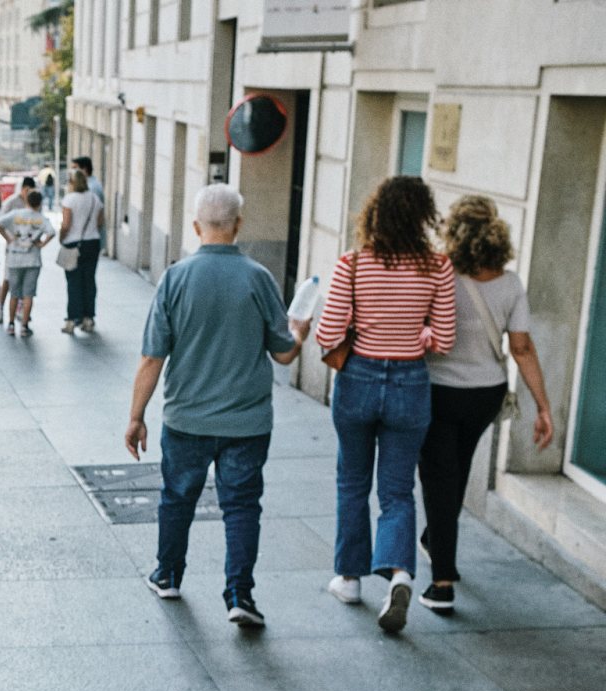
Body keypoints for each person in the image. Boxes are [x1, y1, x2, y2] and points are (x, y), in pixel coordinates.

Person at [125, 185, 311, 626]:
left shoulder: (175, 278)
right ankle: (240, 595)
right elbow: (284, 354)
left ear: (195, 227)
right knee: (242, 506)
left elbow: (153, 356)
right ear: (239, 225)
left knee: (177, 498)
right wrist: (300, 331)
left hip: (186, 417)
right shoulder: (258, 278)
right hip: (246, 421)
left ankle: (168, 575)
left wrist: (136, 416)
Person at [314, 175, 456, 633]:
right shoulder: (438, 267)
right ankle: (398, 572)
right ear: (422, 217)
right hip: (411, 382)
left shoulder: (352, 265)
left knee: (352, 481)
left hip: (358, 379)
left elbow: (327, 333)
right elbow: (446, 338)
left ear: (374, 214)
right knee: (397, 490)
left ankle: (350, 579)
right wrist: (419, 334)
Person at [417, 195, 554, 611]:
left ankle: (442, 582)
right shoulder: (510, 283)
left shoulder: (438, 275)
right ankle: (436, 540)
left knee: (439, 477)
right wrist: (543, 406)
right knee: (455, 471)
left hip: (437, 391)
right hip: (484, 395)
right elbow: (522, 347)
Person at [0, 189, 55, 337]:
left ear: (27, 200)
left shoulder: (16, 214)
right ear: (40, 203)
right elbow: (52, 232)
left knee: (14, 293)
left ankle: (11, 324)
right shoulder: (41, 218)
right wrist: (42, 244)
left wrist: (8, 238)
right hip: (32, 260)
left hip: (14, 259)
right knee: (28, 295)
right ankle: (25, 325)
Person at [58, 170, 104, 333]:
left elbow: (66, 224)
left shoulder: (69, 199)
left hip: (73, 243)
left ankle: (72, 319)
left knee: (73, 282)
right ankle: (88, 318)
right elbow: (100, 221)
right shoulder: (94, 198)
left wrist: (61, 238)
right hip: (92, 242)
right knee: (89, 280)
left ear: (72, 182)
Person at [0, 175, 37, 321]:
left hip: (28, 249)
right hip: (13, 248)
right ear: (25, 189)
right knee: (8, 278)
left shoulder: (33, 202)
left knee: (25, 281)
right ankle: (0, 308)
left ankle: (21, 310)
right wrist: (9, 239)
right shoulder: (11, 203)